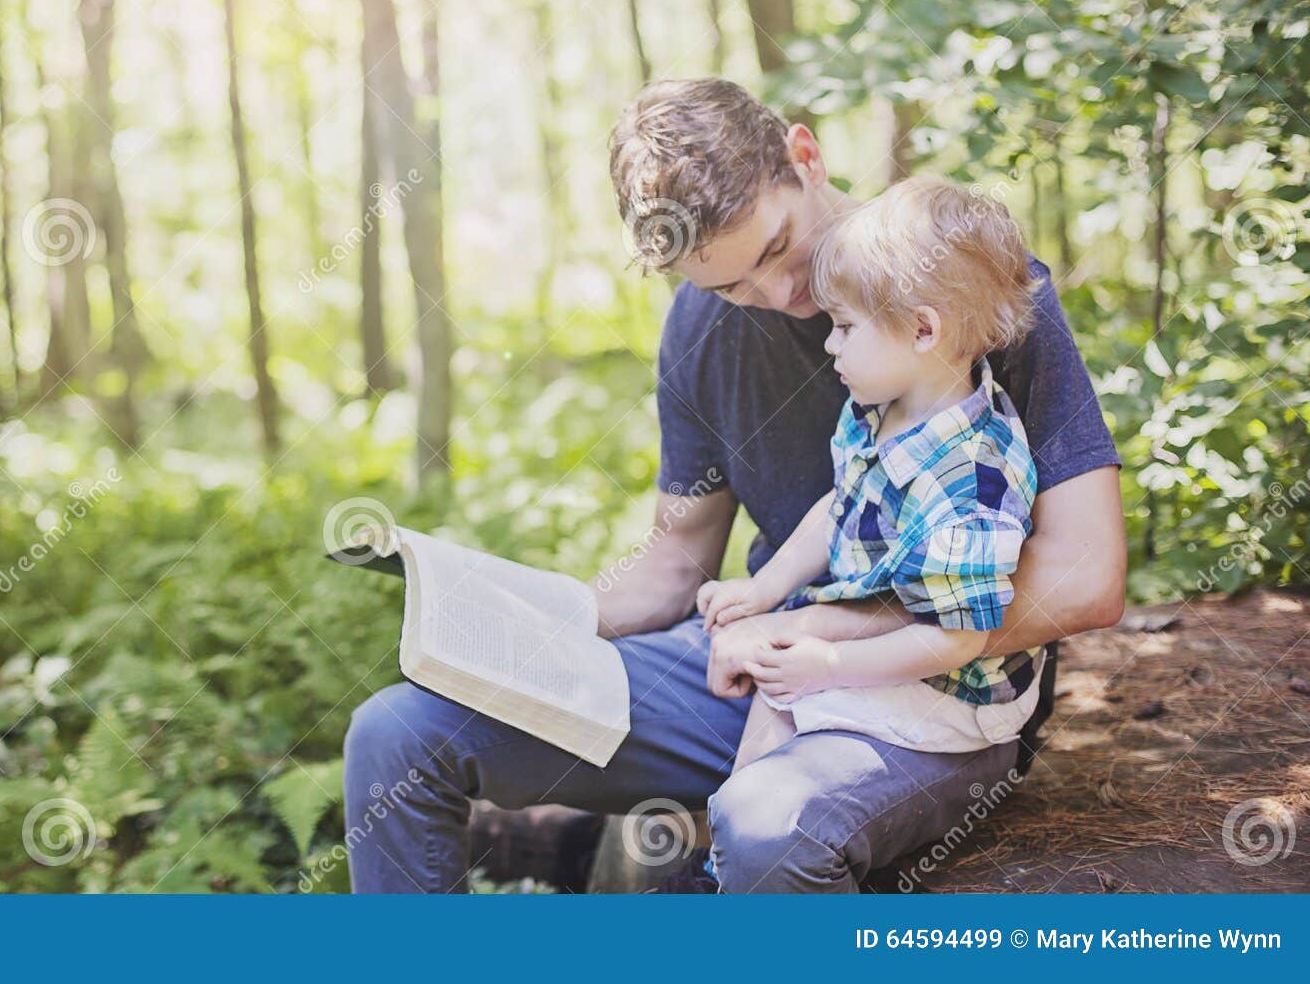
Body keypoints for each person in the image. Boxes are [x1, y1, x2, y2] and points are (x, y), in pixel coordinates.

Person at [342, 78, 1124, 893]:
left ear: (806, 156)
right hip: (755, 669)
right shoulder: (698, 331)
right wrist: (538, 618)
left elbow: (1089, 575)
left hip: (928, 692)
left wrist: (827, 637)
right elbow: (678, 561)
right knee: (398, 733)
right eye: (731, 285)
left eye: (780, 248)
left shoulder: (962, 284)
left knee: (764, 824)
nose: (784, 296)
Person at [697, 178, 1044, 779]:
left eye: (845, 326)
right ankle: (734, 841)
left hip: (957, 692)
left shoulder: (972, 483)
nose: (828, 344)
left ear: (923, 329)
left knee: (788, 698)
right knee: (775, 692)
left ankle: (742, 843)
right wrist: (763, 590)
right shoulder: (880, 408)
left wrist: (830, 666)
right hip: (881, 638)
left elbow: (957, 640)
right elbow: (841, 503)